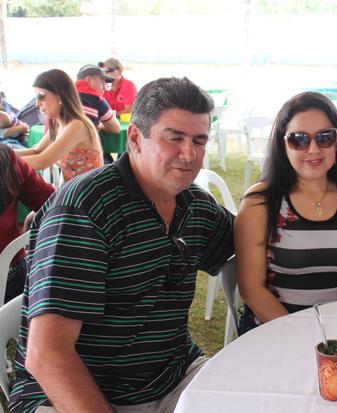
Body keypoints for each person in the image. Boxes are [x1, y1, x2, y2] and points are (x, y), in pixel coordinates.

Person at [8, 77, 235, 413]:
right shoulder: (87, 208)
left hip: (171, 378)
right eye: (174, 138)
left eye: (199, 140)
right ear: (136, 138)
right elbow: (47, 355)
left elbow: (251, 244)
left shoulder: (196, 206)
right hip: (69, 394)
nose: (189, 154)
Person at [235, 91, 337, 333]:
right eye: (298, 139)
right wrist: (304, 335)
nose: (313, 149)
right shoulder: (259, 203)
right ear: (283, 145)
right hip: (275, 331)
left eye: (325, 137)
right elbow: (252, 290)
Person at [15, 69, 104, 182]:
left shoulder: (77, 125)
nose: (37, 104)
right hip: (73, 188)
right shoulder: (57, 123)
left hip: (89, 190)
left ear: (60, 96)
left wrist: (7, 160)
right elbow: (36, 151)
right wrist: (6, 153)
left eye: (41, 96)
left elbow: (42, 161)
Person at [0, 143, 54, 303]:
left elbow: (51, 202)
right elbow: (52, 203)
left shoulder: (7, 157)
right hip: (9, 280)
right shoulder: (6, 157)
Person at [76, 64, 121, 164]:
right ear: (89, 80)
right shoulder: (96, 99)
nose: (104, 87)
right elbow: (115, 128)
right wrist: (99, 125)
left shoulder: (66, 95)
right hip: (88, 159)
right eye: (102, 81)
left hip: (64, 157)